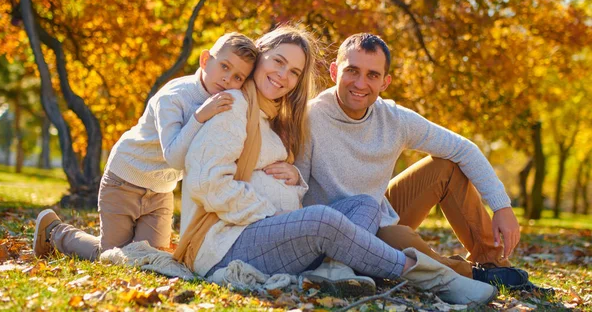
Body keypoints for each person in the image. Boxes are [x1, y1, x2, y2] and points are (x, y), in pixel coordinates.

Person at [175, 26, 498, 305]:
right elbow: (208, 185)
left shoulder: (272, 116)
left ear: (385, 81)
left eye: (294, 72)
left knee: (366, 203)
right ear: (260, 58)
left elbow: (292, 182)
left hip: (272, 236)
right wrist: (276, 216)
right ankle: (437, 278)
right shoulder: (233, 107)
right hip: (225, 245)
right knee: (323, 220)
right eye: (278, 62)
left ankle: (334, 269)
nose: (283, 76)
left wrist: (294, 180)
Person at [295, 33, 528, 289]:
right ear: (333, 71)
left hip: (377, 215)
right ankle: (471, 275)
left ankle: (492, 263)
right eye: (352, 71)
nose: (360, 83)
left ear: (385, 82)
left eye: (372, 75)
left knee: (445, 167)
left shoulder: (394, 119)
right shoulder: (309, 119)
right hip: (330, 232)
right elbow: (296, 194)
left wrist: (502, 207)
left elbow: (464, 149)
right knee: (398, 236)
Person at [33, 32, 258, 260]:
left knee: (150, 258)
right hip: (125, 178)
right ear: (205, 60)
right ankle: (54, 231)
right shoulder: (173, 97)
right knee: (112, 256)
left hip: (160, 191)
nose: (228, 79)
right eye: (224, 67)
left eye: (239, 77)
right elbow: (174, 157)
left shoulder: (225, 104)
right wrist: (199, 117)